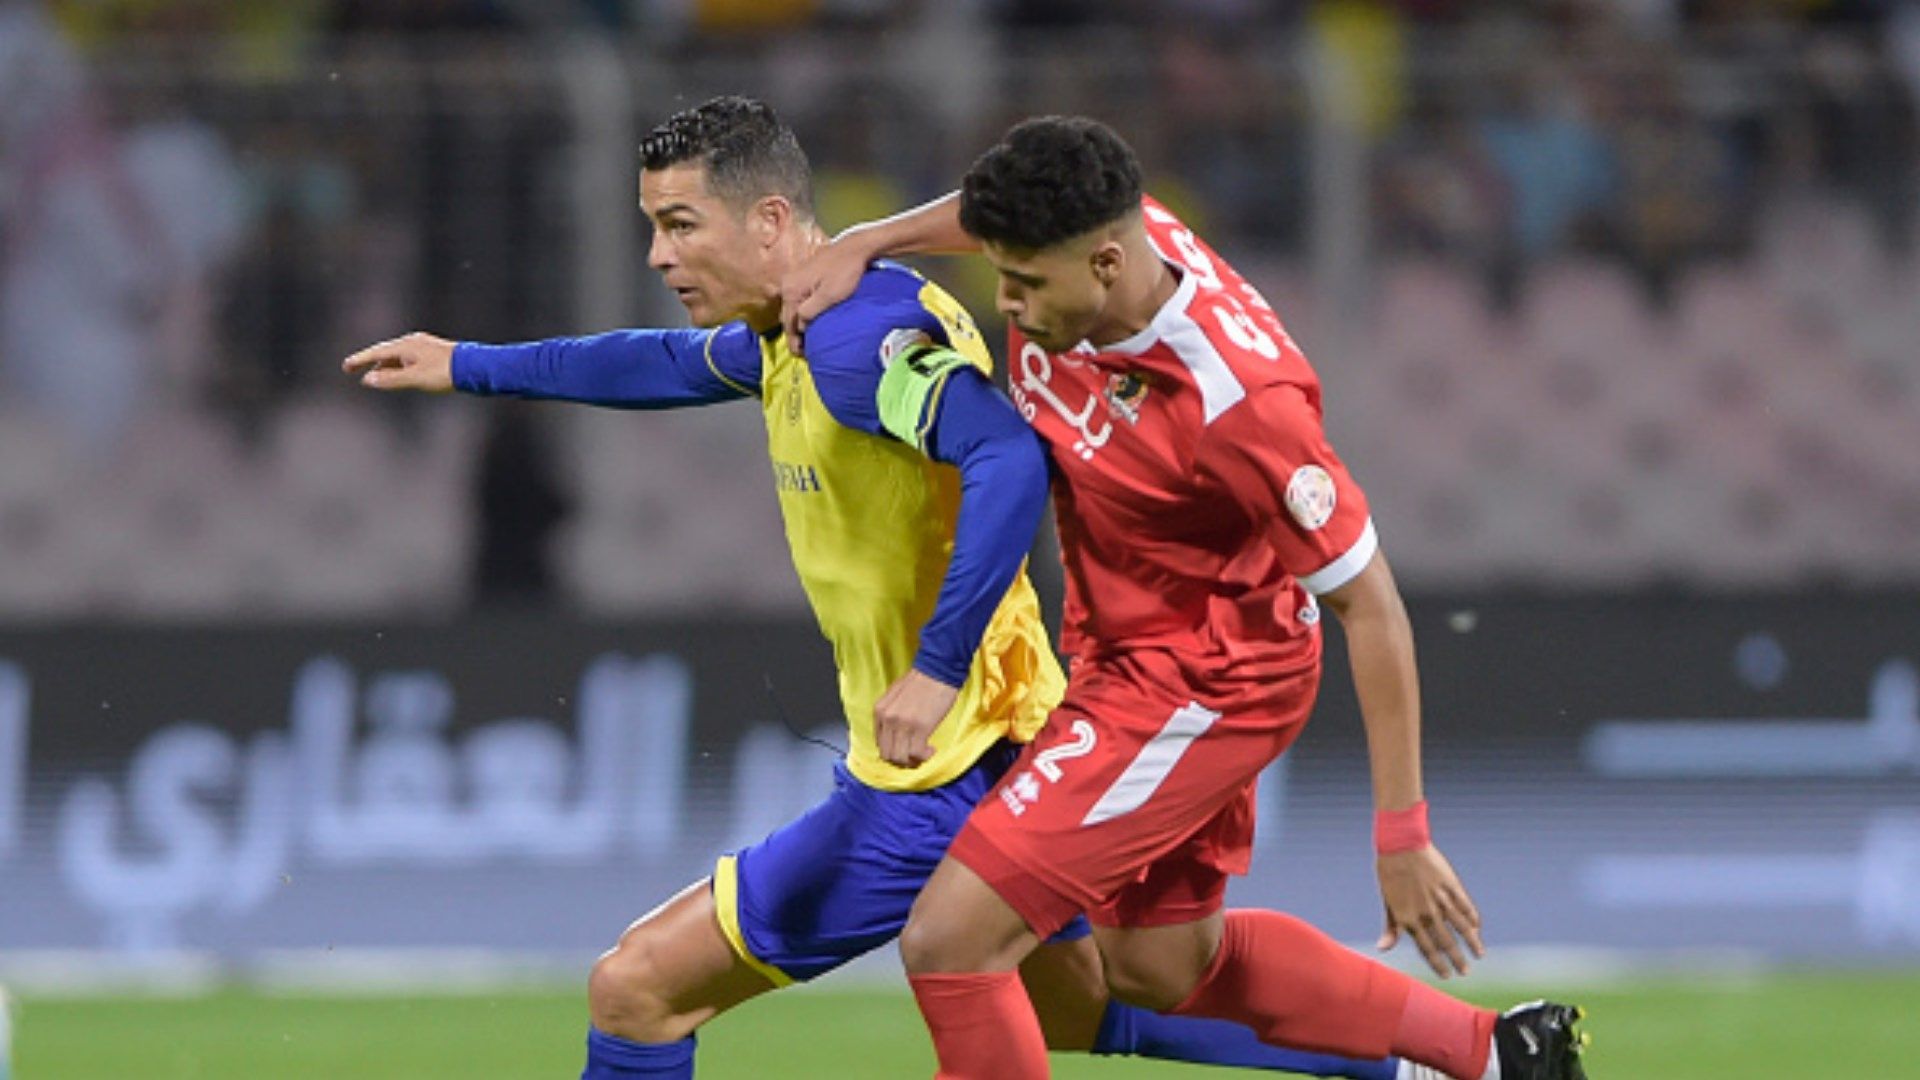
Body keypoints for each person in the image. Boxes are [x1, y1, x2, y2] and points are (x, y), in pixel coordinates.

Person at [344, 96, 1426, 1080]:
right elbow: (668, 365)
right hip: (1006, 724)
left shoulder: (856, 342)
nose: (658, 254)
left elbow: (1004, 456)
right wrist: (471, 363)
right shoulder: (803, 325)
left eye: (680, 225)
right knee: (1104, 997)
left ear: (770, 223)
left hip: (934, 767)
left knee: (637, 992)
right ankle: (1443, 1059)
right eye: (652, 226)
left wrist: (934, 668)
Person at [782, 117, 1590, 1080]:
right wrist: (864, 243)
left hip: (1200, 681)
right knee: (1156, 967)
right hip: (1133, 650)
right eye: (1001, 275)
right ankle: (1497, 1054)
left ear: (1111, 262)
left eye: (1027, 284)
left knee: (949, 941)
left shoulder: (1242, 407)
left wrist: (1403, 835)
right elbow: (988, 216)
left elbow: (1371, 605)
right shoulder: (1099, 235)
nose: (1007, 304)